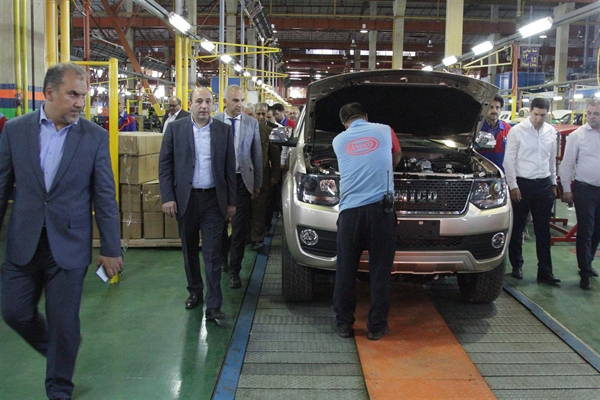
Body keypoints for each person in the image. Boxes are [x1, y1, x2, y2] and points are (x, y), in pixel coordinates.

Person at [0, 62, 123, 400]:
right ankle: (60, 349)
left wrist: (111, 248)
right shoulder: (15, 131)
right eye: (73, 95)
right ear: (49, 93)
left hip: (69, 245)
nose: (80, 103)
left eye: (83, 96)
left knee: (64, 321)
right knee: (14, 312)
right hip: (23, 241)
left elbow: (105, 196)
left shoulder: (94, 137)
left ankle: (59, 387)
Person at [159, 87, 236, 320]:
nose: (204, 106)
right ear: (190, 104)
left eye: (208, 101)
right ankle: (195, 291)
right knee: (189, 249)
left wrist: (231, 202)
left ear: (214, 104)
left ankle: (213, 305)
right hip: (186, 200)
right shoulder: (175, 129)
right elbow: (165, 165)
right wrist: (168, 197)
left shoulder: (223, 130)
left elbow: (229, 169)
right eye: (199, 101)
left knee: (213, 254)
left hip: (213, 200)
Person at [332, 102, 401, 341]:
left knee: (345, 270)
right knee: (380, 271)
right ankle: (376, 327)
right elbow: (396, 156)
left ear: (344, 123)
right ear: (367, 116)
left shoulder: (338, 140)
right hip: (381, 212)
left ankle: (343, 324)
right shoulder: (385, 130)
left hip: (350, 213)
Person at [503, 97, 560, 286]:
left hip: (543, 185)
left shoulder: (551, 132)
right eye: (536, 114)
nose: (539, 119)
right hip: (522, 185)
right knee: (517, 228)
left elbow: (551, 160)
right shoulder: (517, 131)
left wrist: (553, 182)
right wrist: (513, 185)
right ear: (530, 111)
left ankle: (545, 271)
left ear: (547, 114)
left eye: (543, 115)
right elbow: (509, 160)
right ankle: (516, 265)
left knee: (543, 231)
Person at [213, 85, 262, 289]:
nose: (240, 104)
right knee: (220, 224)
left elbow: (256, 154)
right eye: (235, 100)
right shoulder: (214, 121)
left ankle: (235, 270)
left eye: (242, 100)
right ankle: (222, 258)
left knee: (240, 228)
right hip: (220, 182)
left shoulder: (251, 123)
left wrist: (257, 183)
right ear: (225, 102)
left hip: (242, 180)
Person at [559, 99, 600, 290]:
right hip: (585, 190)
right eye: (589, 113)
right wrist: (566, 189)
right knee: (586, 229)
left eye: (596, 114)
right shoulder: (578, 136)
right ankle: (584, 272)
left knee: (597, 231)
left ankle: (587, 262)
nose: (592, 117)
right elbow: (567, 163)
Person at [250, 102, 281, 250]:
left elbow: (275, 156)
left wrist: (275, 175)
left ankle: (257, 239)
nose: (261, 117)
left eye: (263, 114)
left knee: (259, 209)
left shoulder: (270, 131)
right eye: (258, 114)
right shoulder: (244, 130)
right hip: (244, 177)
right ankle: (246, 237)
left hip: (263, 177)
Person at [476, 94, 511, 172]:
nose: (494, 110)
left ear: (501, 109)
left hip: (502, 173)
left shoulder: (508, 129)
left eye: (497, 107)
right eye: (491, 107)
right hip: (482, 173)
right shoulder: (477, 128)